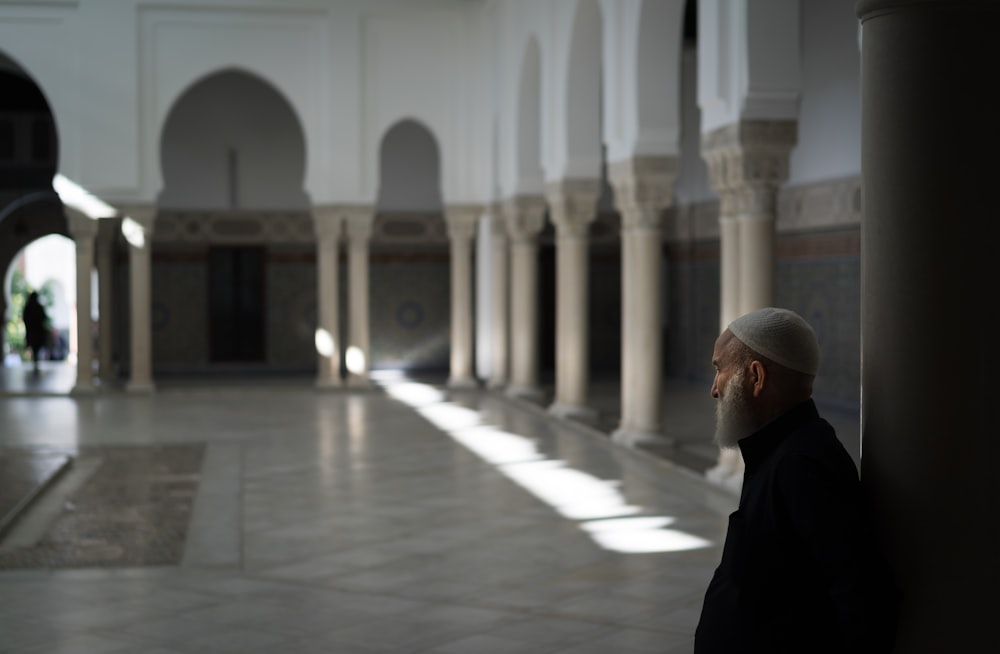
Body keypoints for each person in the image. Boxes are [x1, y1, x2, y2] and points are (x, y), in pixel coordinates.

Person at [694, 307, 899, 653]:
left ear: (756, 377)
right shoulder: (781, 451)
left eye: (720, 369)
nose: (714, 389)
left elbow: (856, 596)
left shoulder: (800, 464)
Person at [22, 291, 49, 373]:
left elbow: (25, 318)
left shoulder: (28, 307)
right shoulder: (38, 307)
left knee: (35, 347)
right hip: (37, 332)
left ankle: (35, 361)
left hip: (32, 332)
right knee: (36, 347)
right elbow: (44, 317)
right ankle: (35, 361)